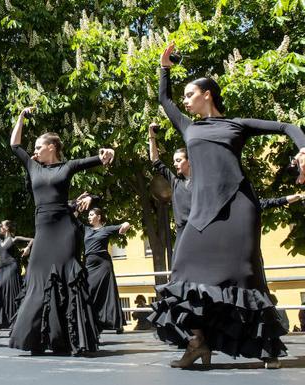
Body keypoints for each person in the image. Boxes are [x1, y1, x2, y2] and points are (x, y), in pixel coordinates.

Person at [148, 43, 305, 369]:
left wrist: (303, 150)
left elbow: (288, 127)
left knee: (245, 276)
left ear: (207, 94)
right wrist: (164, 70)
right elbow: (165, 100)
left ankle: (268, 348)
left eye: (191, 94)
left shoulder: (236, 125)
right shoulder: (189, 127)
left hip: (238, 206)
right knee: (183, 270)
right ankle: (197, 342)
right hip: (202, 213)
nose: (187, 100)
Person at [8, 107, 115, 355]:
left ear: (52, 147)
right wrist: (21, 116)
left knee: (68, 276)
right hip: (43, 231)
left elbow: (98, 158)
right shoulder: (33, 168)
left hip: (64, 230)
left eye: (38, 147)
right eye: (33, 148)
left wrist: (107, 153)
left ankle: (68, 338)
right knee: (37, 277)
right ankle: (38, 338)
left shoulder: (67, 167)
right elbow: (14, 145)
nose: (34, 151)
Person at [74, 197, 130, 333]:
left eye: (92, 215)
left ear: (98, 217)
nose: (89, 217)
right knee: (89, 292)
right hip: (89, 265)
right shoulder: (86, 229)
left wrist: (125, 227)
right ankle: (93, 323)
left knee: (107, 293)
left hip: (103, 265)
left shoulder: (106, 229)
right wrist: (77, 208)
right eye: (88, 215)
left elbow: (126, 223)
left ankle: (115, 323)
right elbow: (72, 219)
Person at [148, 123, 191, 261]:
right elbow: (155, 160)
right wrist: (152, 136)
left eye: (179, 160)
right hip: (182, 234)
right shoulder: (175, 182)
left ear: (189, 161)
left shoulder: (202, 182)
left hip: (200, 234)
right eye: (174, 161)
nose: (175, 164)